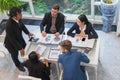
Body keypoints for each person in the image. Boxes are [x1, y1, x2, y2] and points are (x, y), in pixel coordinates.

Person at [4, 7, 33, 72]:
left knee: (26, 48)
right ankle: (18, 65)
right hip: (11, 44)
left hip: (19, 38)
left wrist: (28, 33)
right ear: (14, 16)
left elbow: (22, 25)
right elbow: (12, 39)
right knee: (15, 55)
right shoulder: (9, 25)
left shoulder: (18, 19)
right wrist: (20, 48)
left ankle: (27, 60)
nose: (21, 15)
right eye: (19, 14)